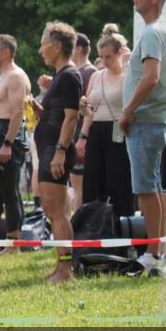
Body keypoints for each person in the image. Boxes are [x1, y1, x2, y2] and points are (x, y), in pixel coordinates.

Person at [119, 0, 166, 276]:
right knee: (154, 188)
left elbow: (151, 77)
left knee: (145, 190)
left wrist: (128, 110)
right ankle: (161, 254)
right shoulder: (162, 30)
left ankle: (154, 255)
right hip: (153, 120)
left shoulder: (154, 31)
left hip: (144, 120)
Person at [30, 22, 82, 283]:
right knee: (52, 210)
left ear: (58, 46)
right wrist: (38, 109)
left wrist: (61, 151)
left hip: (56, 151)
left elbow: (72, 118)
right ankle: (60, 267)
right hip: (50, 148)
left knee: (57, 211)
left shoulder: (70, 75)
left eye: (43, 44)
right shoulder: (60, 76)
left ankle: (65, 270)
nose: (40, 50)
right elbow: (57, 114)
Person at [78, 25, 134, 219]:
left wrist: (128, 64)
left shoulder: (127, 75)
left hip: (117, 130)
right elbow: (89, 111)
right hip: (96, 131)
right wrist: (82, 136)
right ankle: (93, 225)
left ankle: (123, 226)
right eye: (101, 57)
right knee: (93, 181)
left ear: (119, 53)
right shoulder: (96, 75)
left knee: (119, 181)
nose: (104, 61)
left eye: (108, 57)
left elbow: (131, 99)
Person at [0, 34, 31, 244]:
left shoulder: (15, 76)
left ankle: (14, 240)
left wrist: (7, 143)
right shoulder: (2, 75)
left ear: (6, 53)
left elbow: (18, 113)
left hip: (9, 133)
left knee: (10, 189)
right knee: (0, 188)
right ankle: (7, 235)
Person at [69, 32, 98, 207]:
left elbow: (90, 109)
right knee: (74, 183)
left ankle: (78, 227)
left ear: (78, 48)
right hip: (75, 136)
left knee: (79, 184)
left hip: (83, 137)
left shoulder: (89, 73)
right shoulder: (77, 71)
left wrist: (83, 137)